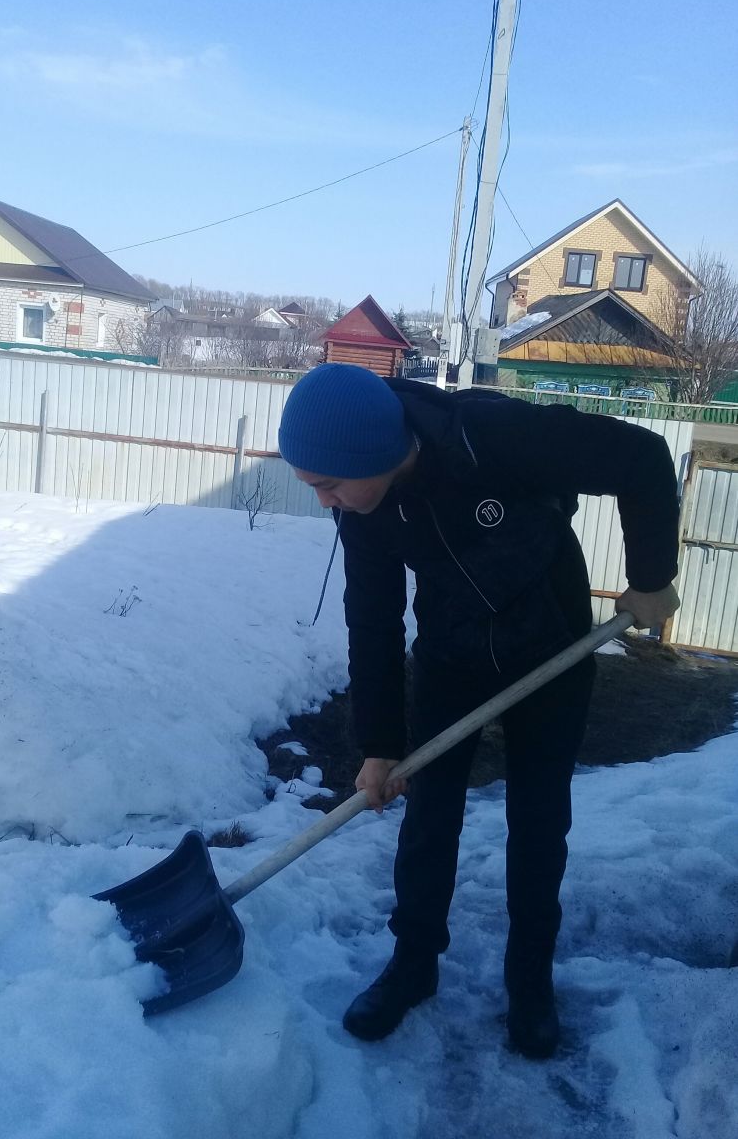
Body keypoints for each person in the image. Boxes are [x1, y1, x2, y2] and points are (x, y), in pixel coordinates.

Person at [277, 363, 680, 1058]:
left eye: (328, 484)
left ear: (373, 453)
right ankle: (413, 964)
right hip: (452, 655)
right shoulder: (363, 509)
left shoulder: (489, 436)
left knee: (538, 822)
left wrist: (650, 577)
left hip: (550, 649)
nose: (324, 502)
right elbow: (372, 620)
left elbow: (641, 458)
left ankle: (530, 981)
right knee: (429, 817)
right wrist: (380, 744)